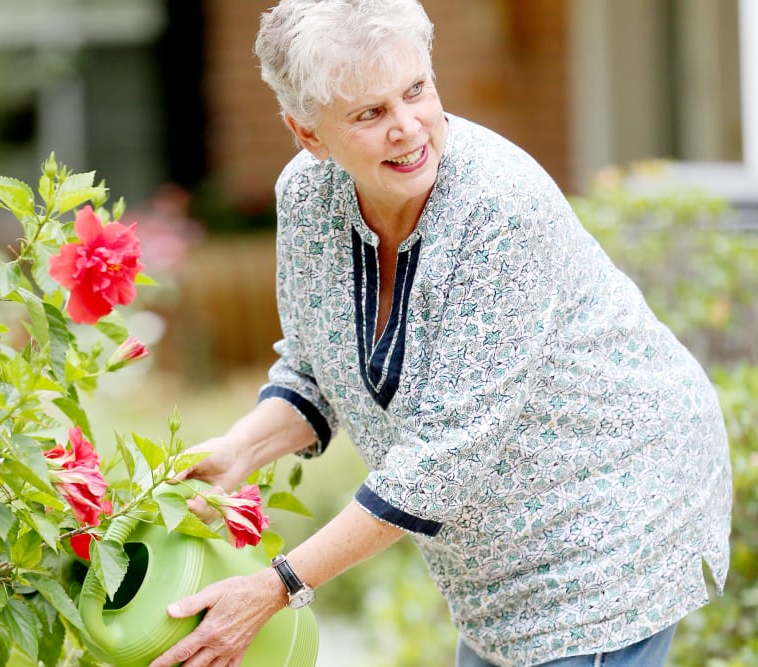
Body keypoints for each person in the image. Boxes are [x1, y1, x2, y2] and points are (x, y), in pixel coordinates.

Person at [147, 1, 732, 665]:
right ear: (308, 135)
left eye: (416, 91)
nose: (407, 128)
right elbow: (316, 372)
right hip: (500, 544)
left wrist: (276, 586)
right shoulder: (307, 199)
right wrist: (239, 448)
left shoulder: (499, 208)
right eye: (369, 113)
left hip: (611, 508)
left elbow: (445, 459)